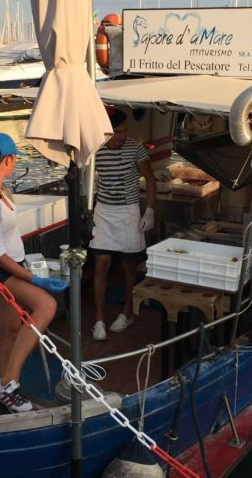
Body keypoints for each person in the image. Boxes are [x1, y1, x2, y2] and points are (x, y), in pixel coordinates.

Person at [0, 132, 66, 413]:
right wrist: (36, 280)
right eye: (14, 160)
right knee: (46, 305)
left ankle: (0, 387)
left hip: (12, 264)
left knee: (9, 330)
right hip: (0, 270)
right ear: (7, 160)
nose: (15, 164)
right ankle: (9, 383)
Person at [90, 109, 156, 341]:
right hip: (104, 210)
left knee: (129, 265)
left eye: (124, 130)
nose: (122, 135)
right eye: (117, 132)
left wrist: (149, 209)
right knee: (101, 263)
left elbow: (149, 178)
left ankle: (127, 313)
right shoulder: (95, 149)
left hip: (128, 211)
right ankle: (99, 320)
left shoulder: (135, 148)